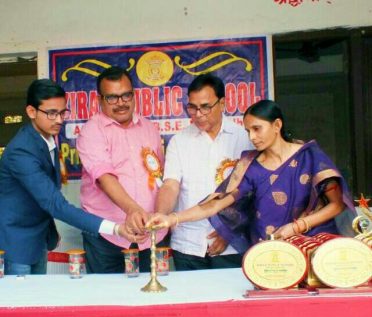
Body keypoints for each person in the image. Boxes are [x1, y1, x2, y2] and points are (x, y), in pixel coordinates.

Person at [147, 100, 356, 254]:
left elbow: (337, 205)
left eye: (257, 129)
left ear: (277, 125)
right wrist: (172, 218)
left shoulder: (309, 156)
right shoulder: (249, 166)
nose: (252, 137)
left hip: (314, 249)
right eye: (248, 131)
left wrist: (297, 227)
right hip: (270, 254)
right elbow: (214, 204)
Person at [0, 79, 135, 275]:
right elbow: (55, 204)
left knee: (38, 303)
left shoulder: (45, 138)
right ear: (31, 112)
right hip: (15, 244)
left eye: (63, 112)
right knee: (23, 304)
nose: (59, 120)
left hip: (38, 240)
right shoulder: (21, 151)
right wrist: (116, 229)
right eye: (52, 113)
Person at [154, 73, 252, 270]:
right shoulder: (179, 141)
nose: (198, 114)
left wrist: (229, 231)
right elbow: (171, 185)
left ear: (222, 104)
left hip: (232, 245)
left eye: (205, 107)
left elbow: (251, 194)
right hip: (188, 243)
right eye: (192, 107)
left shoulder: (245, 138)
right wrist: (161, 216)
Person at [76, 66, 167, 273]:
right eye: (112, 98)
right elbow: (104, 177)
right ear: (100, 100)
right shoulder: (91, 131)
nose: (121, 103)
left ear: (134, 95)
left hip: (149, 232)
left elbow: (158, 177)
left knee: (150, 298)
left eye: (126, 95)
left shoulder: (149, 128)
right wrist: (133, 210)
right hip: (107, 235)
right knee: (109, 300)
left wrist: (160, 216)